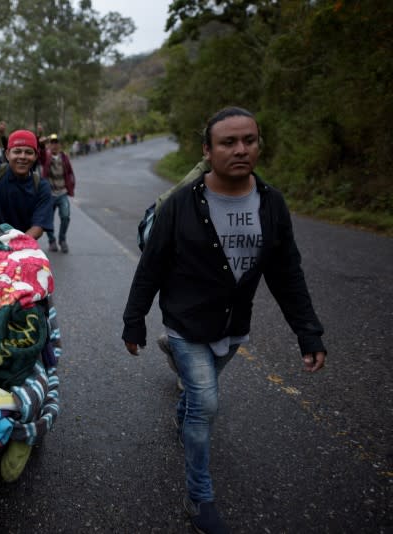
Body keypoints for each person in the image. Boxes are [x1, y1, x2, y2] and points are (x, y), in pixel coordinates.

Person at [121, 107, 326, 534]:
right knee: (208, 404)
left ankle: (184, 412)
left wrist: (308, 332)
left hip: (234, 328)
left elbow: (287, 273)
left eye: (248, 140)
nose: (240, 149)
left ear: (259, 144)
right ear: (207, 151)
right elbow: (152, 267)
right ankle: (199, 498)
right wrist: (134, 320)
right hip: (185, 324)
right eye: (227, 143)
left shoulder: (271, 204)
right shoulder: (180, 204)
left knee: (201, 394)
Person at [38, 133, 76, 253]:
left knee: (65, 216)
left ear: (59, 145)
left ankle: (62, 240)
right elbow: (41, 155)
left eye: (56, 143)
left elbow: (69, 172)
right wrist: (42, 145)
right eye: (52, 143)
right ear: (49, 145)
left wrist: (71, 184)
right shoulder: (47, 157)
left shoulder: (64, 157)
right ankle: (52, 241)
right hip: (50, 194)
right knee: (48, 220)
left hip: (62, 192)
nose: (54, 145)